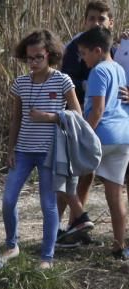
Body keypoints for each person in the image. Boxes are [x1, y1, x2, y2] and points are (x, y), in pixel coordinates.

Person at [1, 30, 81, 268]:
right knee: (8, 199)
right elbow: (15, 119)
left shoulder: (62, 80)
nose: (33, 62)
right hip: (24, 150)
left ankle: (47, 256)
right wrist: (11, 148)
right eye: (29, 58)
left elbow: (77, 114)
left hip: (50, 152)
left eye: (38, 57)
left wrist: (49, 117)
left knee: (48, 204)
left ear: (50, 55)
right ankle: (11, 244)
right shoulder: (21, 84)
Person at [58, 1, 113, 237]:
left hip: (109, 121)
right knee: (71, 174)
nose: (96, 23)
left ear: (110, 22)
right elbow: (68, 83)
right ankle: (58, 227)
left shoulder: (118, 47)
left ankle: (76, 226)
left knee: (91, 175)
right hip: (81, 119)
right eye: (92, 18)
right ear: (84, 21)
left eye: (101, 18)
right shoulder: (74, 47)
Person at [77, 27, 129, 260]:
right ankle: (119, 247)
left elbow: (97, 110)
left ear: (97, 51)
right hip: (123, 138)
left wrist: (83, 135)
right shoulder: (119, 69)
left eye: (84, 53)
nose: (82, 58)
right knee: (115, 196)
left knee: (66, 179)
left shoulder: (98, 71)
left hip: (102, 137)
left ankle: (68, 226)